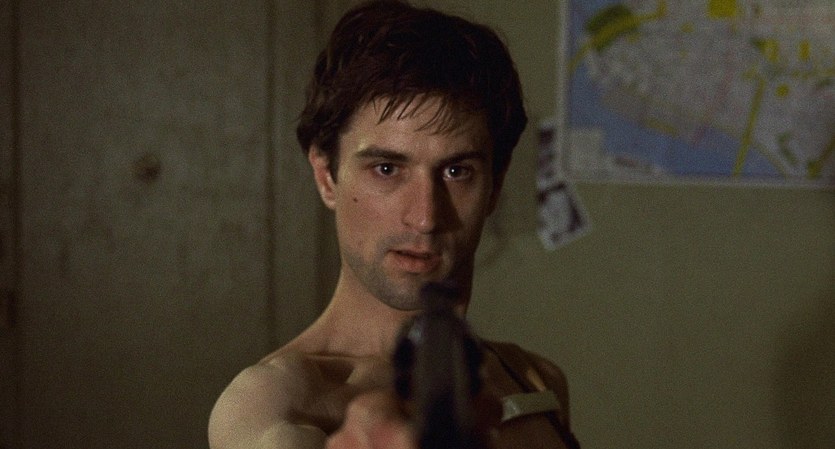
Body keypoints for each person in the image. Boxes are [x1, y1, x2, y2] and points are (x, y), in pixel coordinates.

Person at [208, 1, 580, 448]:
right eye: (386, 169)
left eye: (456, 171)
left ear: (495, 185)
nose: (425, 217)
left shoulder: (536, 379)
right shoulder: (277, 399)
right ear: (326, 176)